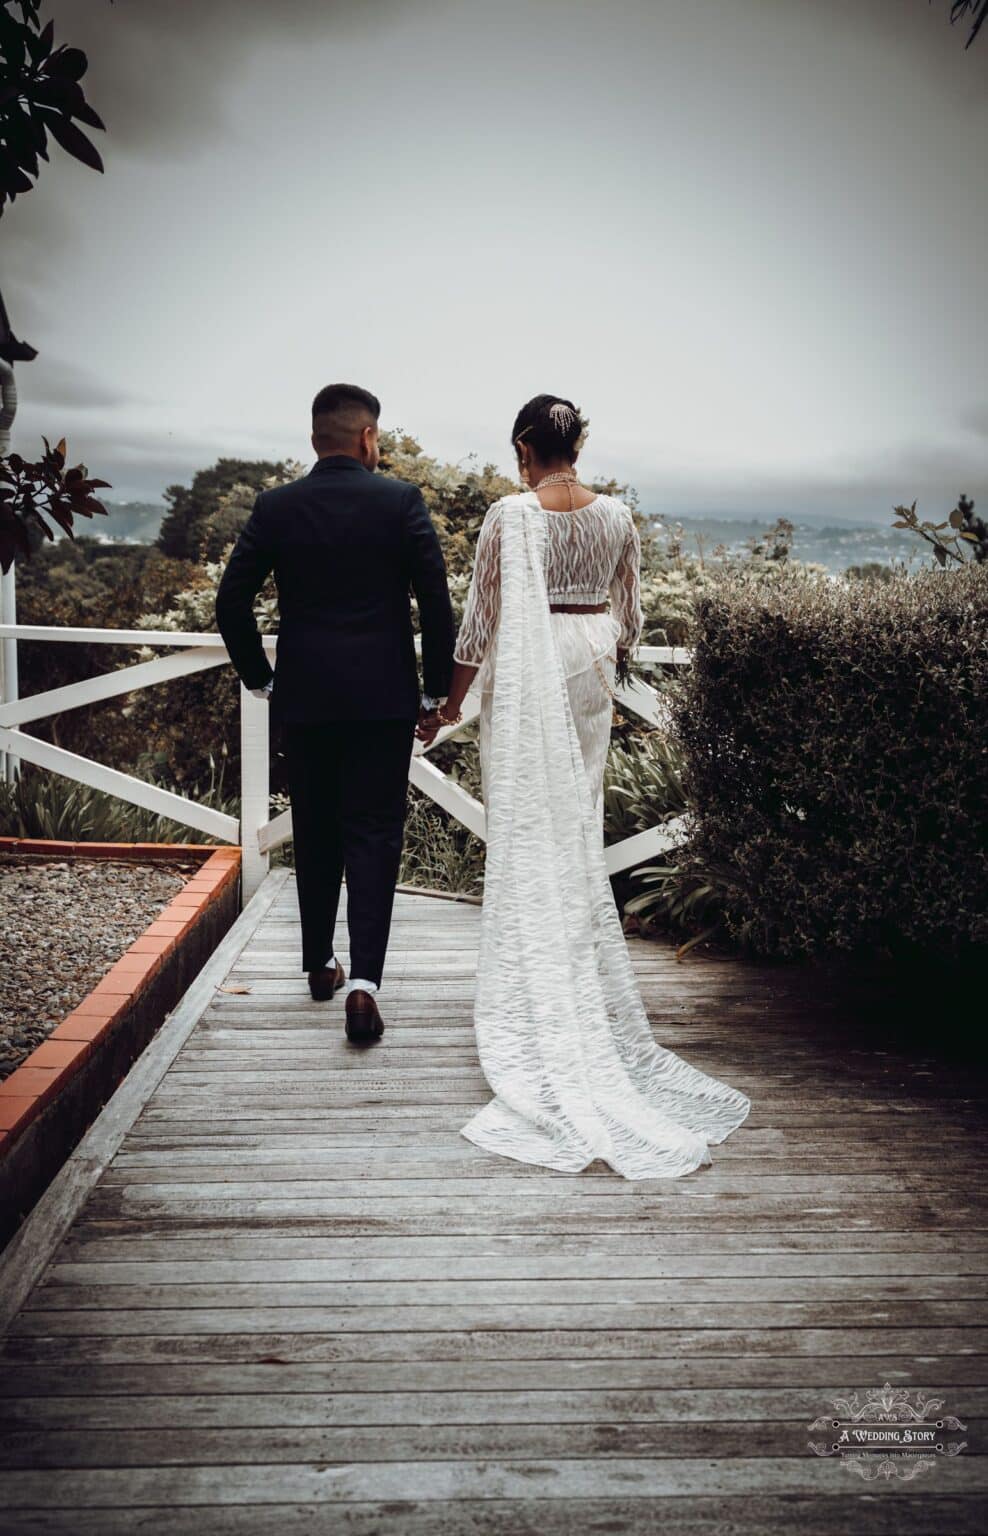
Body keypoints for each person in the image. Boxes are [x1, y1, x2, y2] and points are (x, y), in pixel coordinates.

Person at [418, 393, 751, 1178]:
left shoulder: (508, 516)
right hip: (592, 666)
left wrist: (450, 703)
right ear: (580, 443)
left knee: (526, 824)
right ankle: (568, 982)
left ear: (526, 446)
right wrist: (599, 648)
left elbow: (479, 623)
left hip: (530, 675)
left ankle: (534, 1005)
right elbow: (630, 615)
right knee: (573, 825)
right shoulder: (618, 518)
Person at [216, 383, 455, 1044]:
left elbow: (231, 601)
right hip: (382, 702)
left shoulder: (277, 507)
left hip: (308, 699)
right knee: (373, 832)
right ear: (368, 438)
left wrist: (262, 679)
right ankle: (364, 986)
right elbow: (436, 603)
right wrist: (435, 691)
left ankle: (321, 963)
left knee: (316, 829)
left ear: (318, 439)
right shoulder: (400, 502)